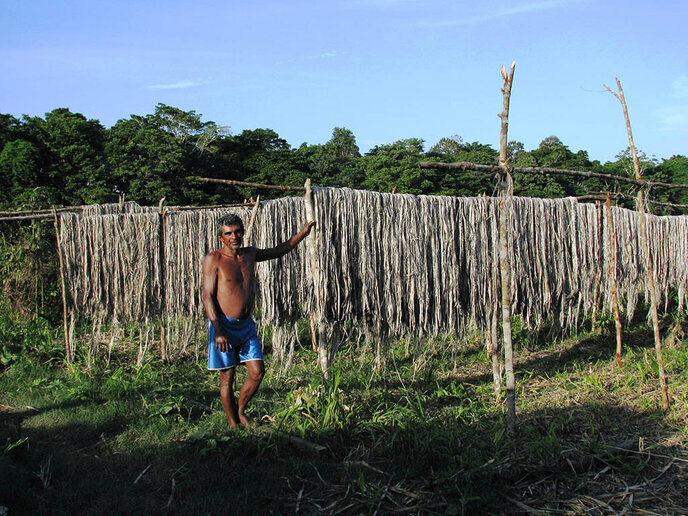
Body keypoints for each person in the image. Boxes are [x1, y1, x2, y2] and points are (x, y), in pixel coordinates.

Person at [202, 213, 315, 427]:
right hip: (224, 326)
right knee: (228, 377)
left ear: (243, 232)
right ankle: (232, 424)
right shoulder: (214, 259)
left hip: (246, 326)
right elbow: (208, 296)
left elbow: (278, 250)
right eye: (228, 233)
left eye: (237, 232)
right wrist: (218, 330)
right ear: (221, 238)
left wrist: (302, 234)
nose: (234, 236)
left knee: (257, 372)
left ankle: (241, 411)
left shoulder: (250, 254)